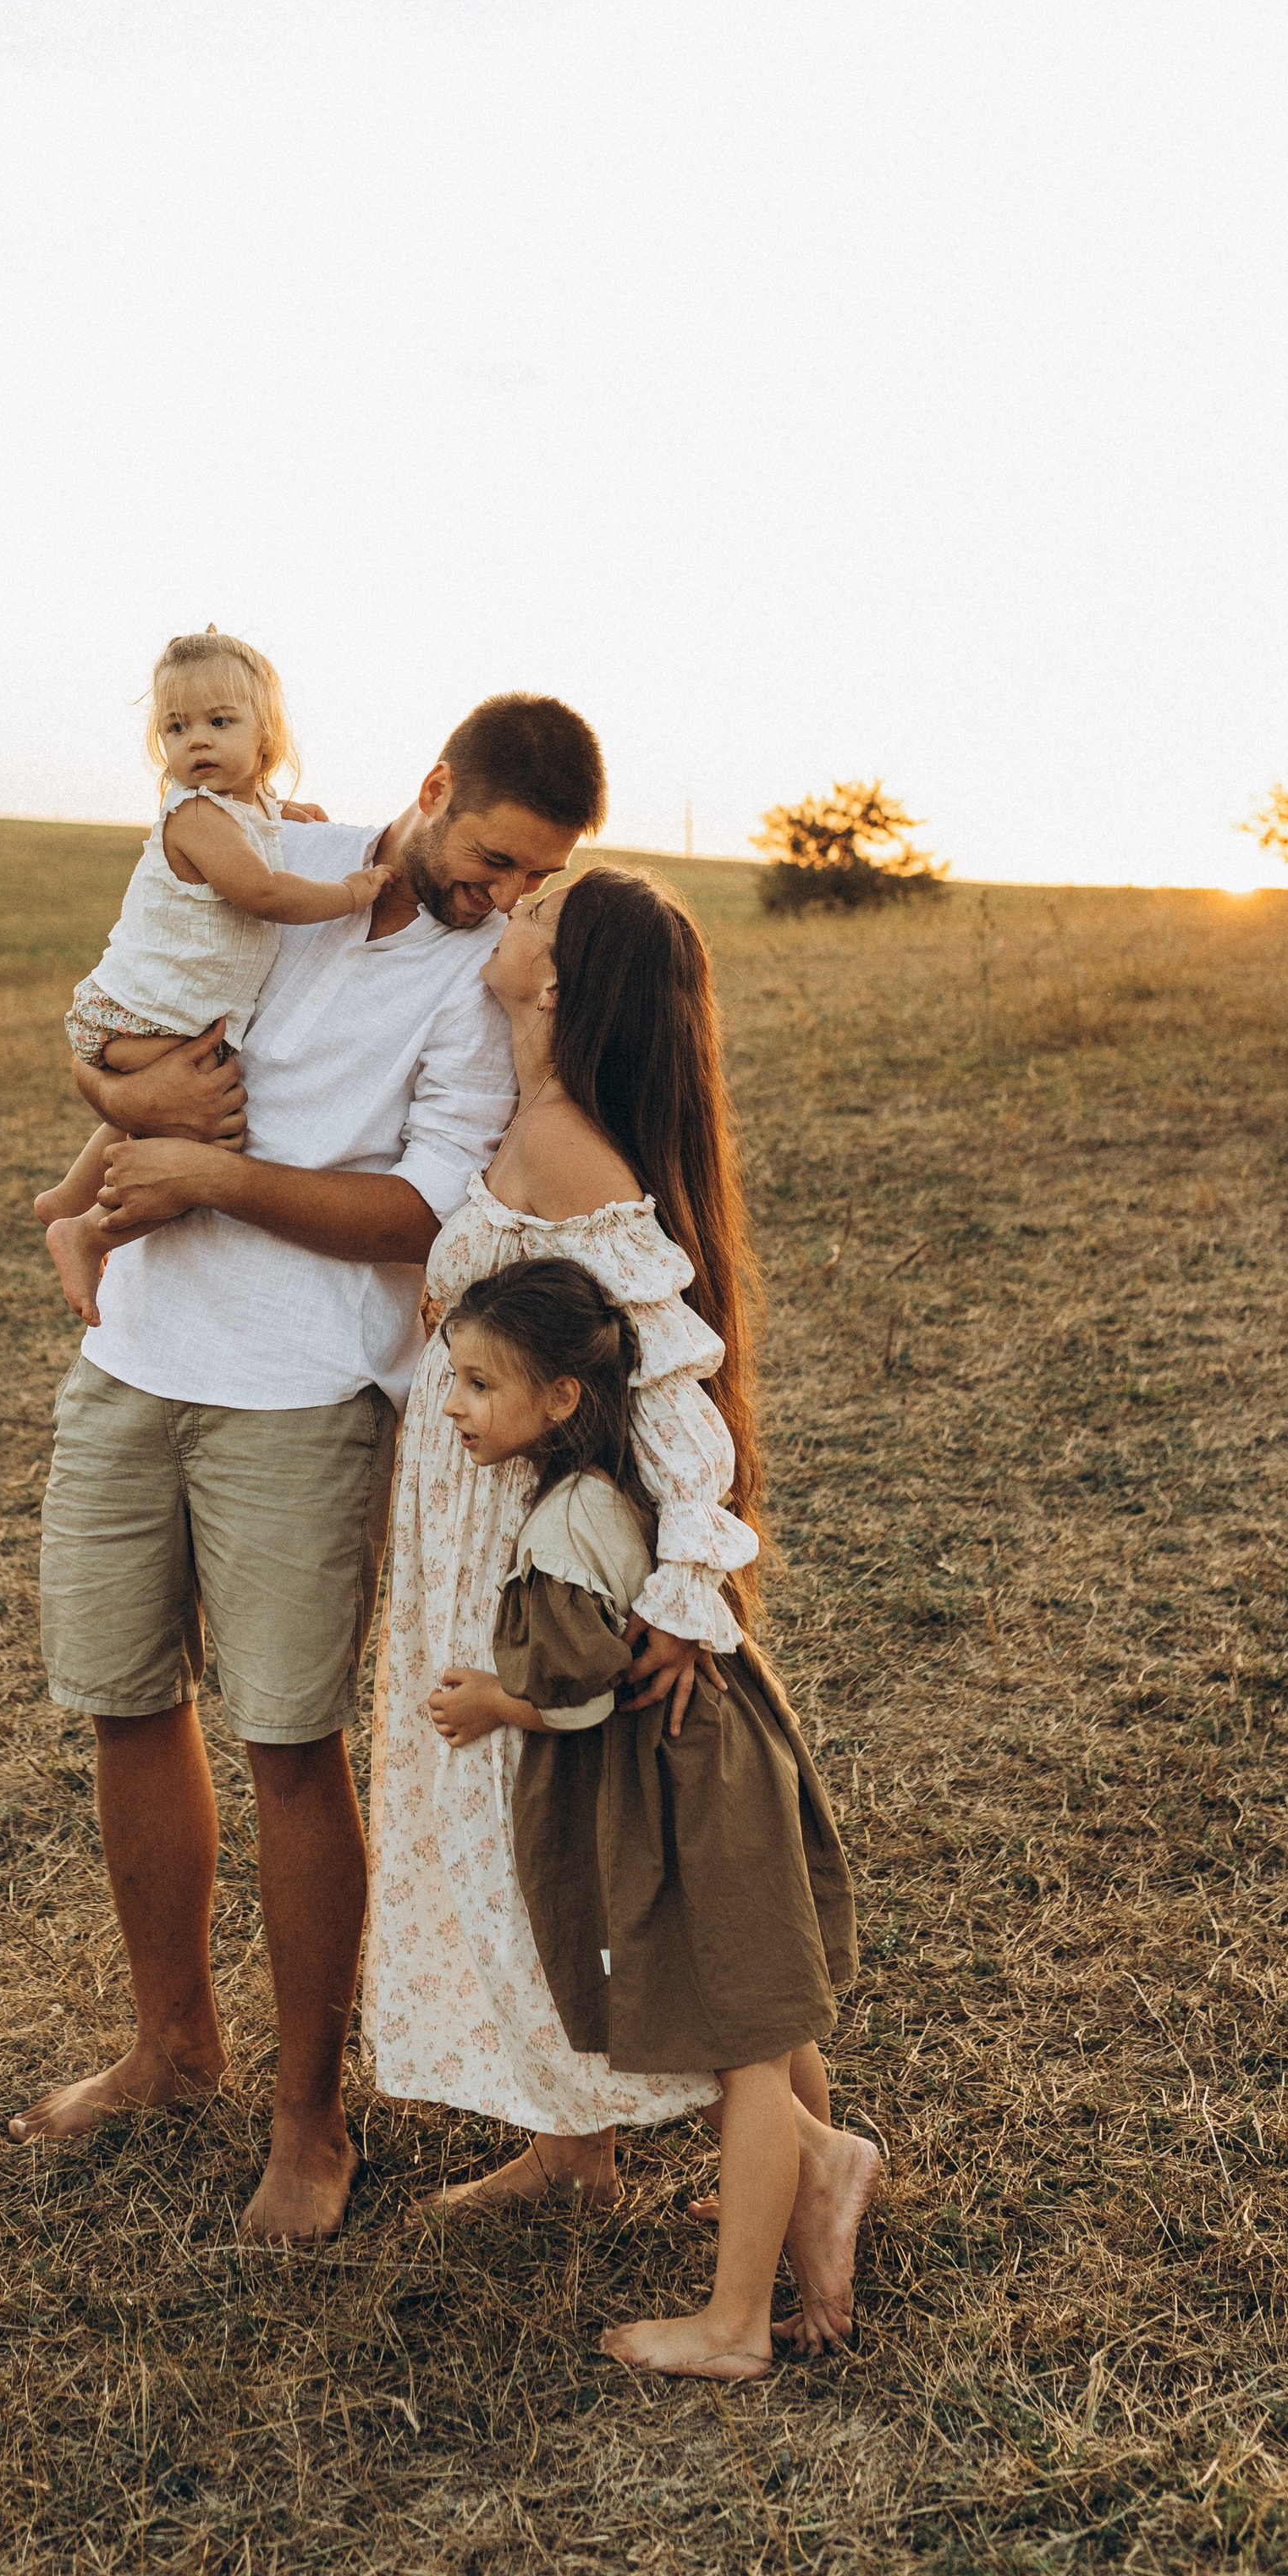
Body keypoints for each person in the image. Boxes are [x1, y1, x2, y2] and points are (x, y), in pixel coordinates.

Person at [8, 692, 608, 2240]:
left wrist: (213, 1173)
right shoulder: (278, 865)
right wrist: (120, 1101)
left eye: (534, 878)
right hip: (134, 1354)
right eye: (491, 859)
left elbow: (421, 1213)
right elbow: (125, 1011)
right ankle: (171, 2048)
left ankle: (309, 2117)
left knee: (288, 1741)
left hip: (308, 1389)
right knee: (125, 1706)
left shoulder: (485, 978)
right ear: (434, 788)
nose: (504, 897)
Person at [365, 861, 882, 2355]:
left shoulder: (561, 1143)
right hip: (482, 1527)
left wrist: (684, 1589)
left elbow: (672, 1382)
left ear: (555, 982)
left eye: (538, 913)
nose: (513, 912)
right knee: (520, 1852)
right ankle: (571, 2144)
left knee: (549, 1851)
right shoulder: (527, 1117)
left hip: (526, 1563)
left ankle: (792, 2171)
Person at [422, 1255, 858, 2383]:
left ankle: (737, 2320)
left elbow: (582, 1693)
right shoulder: (628, 1480)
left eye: (478, 1384)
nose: (453, 1406)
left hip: (680, 1781)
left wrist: (492, 1703)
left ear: (560, 1397)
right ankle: (807, 2202)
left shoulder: (565, 1525)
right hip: (722, 1754)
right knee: (765, 2016)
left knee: (739, 2047)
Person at [35, 629, 391, 1325]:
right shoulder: (196, 815)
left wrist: (284, 814)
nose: (197, 740)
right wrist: (350, 893)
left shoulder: (242, 811)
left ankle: (67, 1197)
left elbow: (255, 828)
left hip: (149, 1013)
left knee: (166, 1109)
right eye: (177, 727)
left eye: (220, 722)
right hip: (141, 1017)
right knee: (207, 1135)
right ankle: (88, 1233)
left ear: (266, 738)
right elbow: (263, 892)